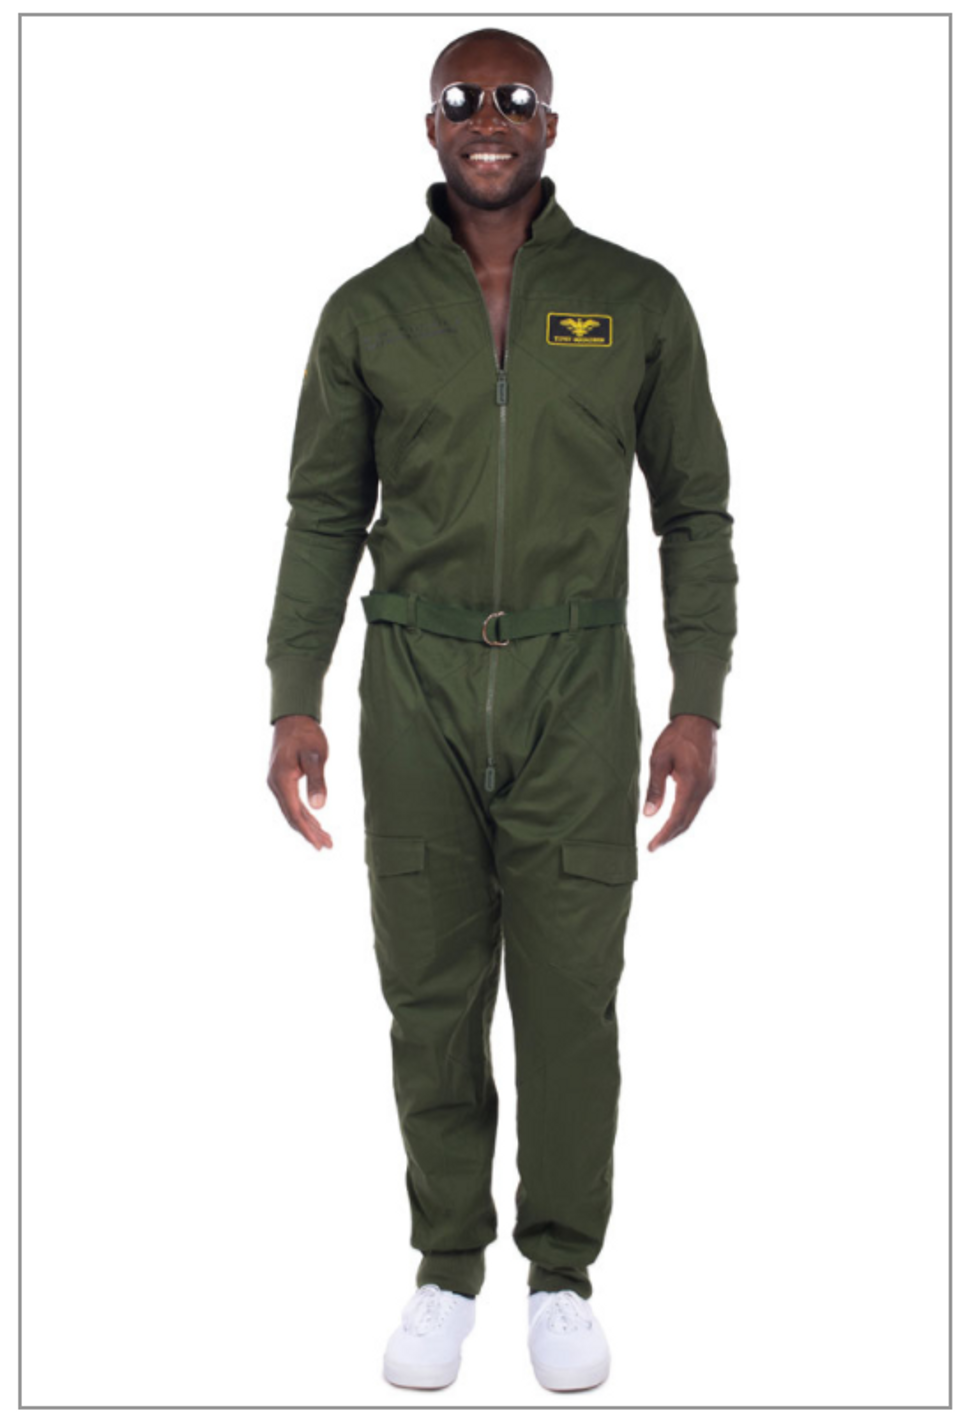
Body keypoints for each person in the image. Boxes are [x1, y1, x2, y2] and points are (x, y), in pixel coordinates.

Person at [265, 25, 738, 1394]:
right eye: (462, 99)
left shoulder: (635, 299)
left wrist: (697, 701)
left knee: (570, 1000)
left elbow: (695, 515)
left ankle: (563, 1275)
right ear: (430, 128)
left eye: (514, 98)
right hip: (411, 682)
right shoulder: (367, 310)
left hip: (577, 687)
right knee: (428, 995)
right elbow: (322, 514)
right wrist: (293, 696)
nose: (488, 116)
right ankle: (445, 1266)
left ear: (551, 125)